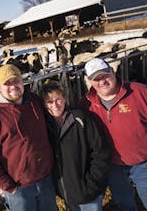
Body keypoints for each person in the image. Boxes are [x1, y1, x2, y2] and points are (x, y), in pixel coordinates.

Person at [79, 58, 147, 211]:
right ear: (89, 81)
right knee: (125, 205)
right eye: (96, 79)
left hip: (145, 165)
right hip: (112, 167)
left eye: (104, 75)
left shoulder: (140, 93)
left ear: (112, 72)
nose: (102, 81)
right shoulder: (86, 104)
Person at [0, 64, 58, 211]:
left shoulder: (34, 100)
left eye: (16, 81)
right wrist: (8, 186)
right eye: (7, 83)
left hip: (46, 178)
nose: (13, 86)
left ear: (22, 81)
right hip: (20, 188)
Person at [40, 81, 111, 211]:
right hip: (67, 195)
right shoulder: (46, 127)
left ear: (64, 99)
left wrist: (92, 184)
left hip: (88, 193)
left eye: (58, 100)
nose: (55, 105)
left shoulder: (80, 119)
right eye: (49, 102)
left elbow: (101, 152)